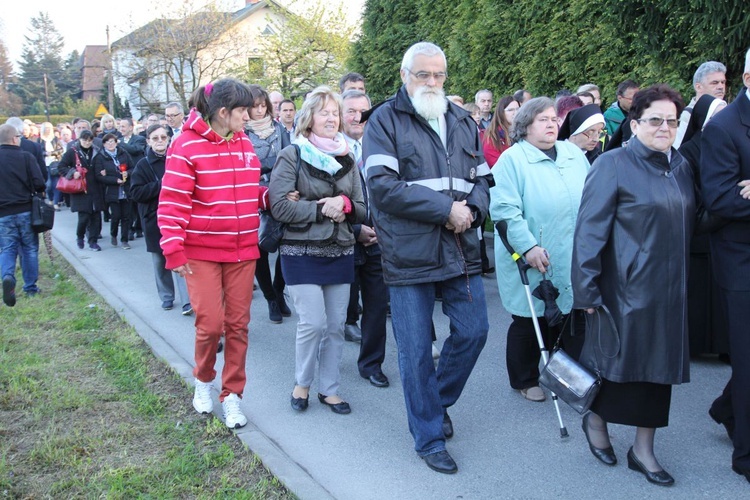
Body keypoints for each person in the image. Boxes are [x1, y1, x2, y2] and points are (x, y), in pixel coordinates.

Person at [363, 42, 491, 474]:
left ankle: (435, 402)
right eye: (423, 74)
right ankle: (429, 436)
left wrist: (473, 209)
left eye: (438, 75)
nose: (432, 82)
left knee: (474, 332)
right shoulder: (384, 120)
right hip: (409, 254)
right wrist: (446, 210)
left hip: (460, 249)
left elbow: (484, 181)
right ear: (405, 76)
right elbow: (382, 188)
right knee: (416, 351)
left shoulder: (461, 120)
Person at [572, 84, 693, 486]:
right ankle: (596, 420)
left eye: (671, 121)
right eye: (655, 119)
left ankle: (643, 450)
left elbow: (693, 221)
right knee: (615, 367)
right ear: (635, 123)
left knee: (658, 376)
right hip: (624, 291)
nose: (664, 127)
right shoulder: (612, 164)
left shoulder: (680, 165)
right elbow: (588, 232)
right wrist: (586, 289)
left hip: (670, 291)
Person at [158, 78, 265, 429]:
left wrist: (268, 198)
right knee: (211, 324)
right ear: (223, 112)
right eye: (243, 110)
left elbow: (248, 190)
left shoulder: (243, 143)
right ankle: (203, 381)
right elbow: (173, 201)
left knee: (238, 326)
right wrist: (173, 250)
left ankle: (232, 395)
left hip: (242, 250)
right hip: (200, 253)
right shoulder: (186, 146)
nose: (249, 116)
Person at [269, 86, 365, 415]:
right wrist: (321, 209)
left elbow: (363, 208)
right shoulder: (292, 155)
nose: (331, 118)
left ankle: (330, 389)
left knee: (336, 325)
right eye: (324, 112)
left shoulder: (347, 157)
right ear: (309, 118)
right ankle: (302, 384)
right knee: (313, 323)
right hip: (300, 252)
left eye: (335, 113)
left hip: (340, 251)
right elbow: (278, 206)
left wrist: (346, 203)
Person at [491, 97, 589, 403]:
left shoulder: (573, 153)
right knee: (529, 319)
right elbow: (505, 210)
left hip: (572, 250)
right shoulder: (512, 159)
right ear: (525, 126)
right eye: (542, 119)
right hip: (534, 255)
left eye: (553, 119)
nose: (551, 124)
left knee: (571, 318)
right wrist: (528, 246)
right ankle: (525, 377)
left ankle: (565, 377)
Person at [701, 48, 750, 484]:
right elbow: (720, 199)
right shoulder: (724, 127)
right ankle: (745, 456)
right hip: (741, 258)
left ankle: (726, 408)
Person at [341, 88, 390, 384]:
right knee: (338, 309)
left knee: (375, 306)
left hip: (378, 240)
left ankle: (371, 364)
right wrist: (355, 229)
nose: (357, 117)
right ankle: (324, 366)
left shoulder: (382, 145)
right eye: (350, 111)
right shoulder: (328, 148)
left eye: (362, 111)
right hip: (344, 241)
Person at [676, 95, 727, 357]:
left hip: (722, 229)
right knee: (699, 295)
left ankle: (723, 346)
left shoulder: (726, 145)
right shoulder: (688, 151)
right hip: (701, 230)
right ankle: (695, 345)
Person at [130, 124, 192, 314]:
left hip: (177, 216)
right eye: (155, 138)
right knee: (160, 260)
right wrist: (161, 185)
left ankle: (187, 300)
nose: (160, 141)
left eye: (163, 137)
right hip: (153, 218)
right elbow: (136, 192)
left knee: (180, 257)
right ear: (148, 141)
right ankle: (166, 296)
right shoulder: (142, 165)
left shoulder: (176, 159)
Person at [244, 85, 292, 323]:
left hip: (281, 191)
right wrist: (268, 165)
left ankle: (279, 290)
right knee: (260, 250)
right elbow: (245, 166)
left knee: (287, 244)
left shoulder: (279, 129)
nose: (260, 110)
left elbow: (289, 156)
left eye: (263, 105)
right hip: (253, 195)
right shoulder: (242, 132)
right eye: (255, 106)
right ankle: (270, 298)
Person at [0, 124, 46, 306]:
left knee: (7, 248)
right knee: (29, 248)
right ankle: (30, 287)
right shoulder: (26, 157)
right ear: (13, 139)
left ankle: (7, 275)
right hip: (26, 210)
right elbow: (40, 183)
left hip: (3, 213)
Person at [57, 130, 105, 251]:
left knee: (96, 216)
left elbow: (102, 165)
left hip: (95, 188)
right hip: (81, 189)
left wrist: (103, 172)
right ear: (79, 140)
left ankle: (93, 241)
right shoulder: (72, 152)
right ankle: (80, 236)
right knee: (83, 217)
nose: (87, 143)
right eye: (84, 140)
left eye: (89, 140)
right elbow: (61, 166)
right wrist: (73, 173)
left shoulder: (96, 152)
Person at [94, 133, 134, 249]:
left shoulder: (123, 153)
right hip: (112, 191)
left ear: (116, 143)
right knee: (116, 216)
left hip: (125, 190)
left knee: (126, 216)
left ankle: (125, 240)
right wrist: (114, 180)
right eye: (107, 142)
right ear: (104, 144)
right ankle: (114, 234)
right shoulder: (100, 157)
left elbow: (133, 167)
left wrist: (128, 173)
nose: (110, 144)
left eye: (112, 141)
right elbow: (99, 176)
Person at [674, 61, 727, 148]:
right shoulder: (686, 116)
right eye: (715, 83)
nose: (721, 86)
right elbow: (678, 153)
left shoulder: (727, 113)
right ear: (698, 87)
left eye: (723, 82)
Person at [482, 95, 519, 168]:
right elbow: (498, 167)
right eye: (510, 110)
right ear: (501, 113)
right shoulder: (492, 137)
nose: (515, 113)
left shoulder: (525, 133)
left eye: (518, 109)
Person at [38, 122, 64, 209]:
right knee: (48, 184)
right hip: (44, 164)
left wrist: (52, 153)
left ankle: (56, 203)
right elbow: (38, 152)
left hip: (54, 163)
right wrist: (45, 153)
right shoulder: (40, 140)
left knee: (56, 184)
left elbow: (61, 149)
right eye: (46, 128)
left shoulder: (55, 139)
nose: (48, 130)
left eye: (49, 128)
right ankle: (51, 198)